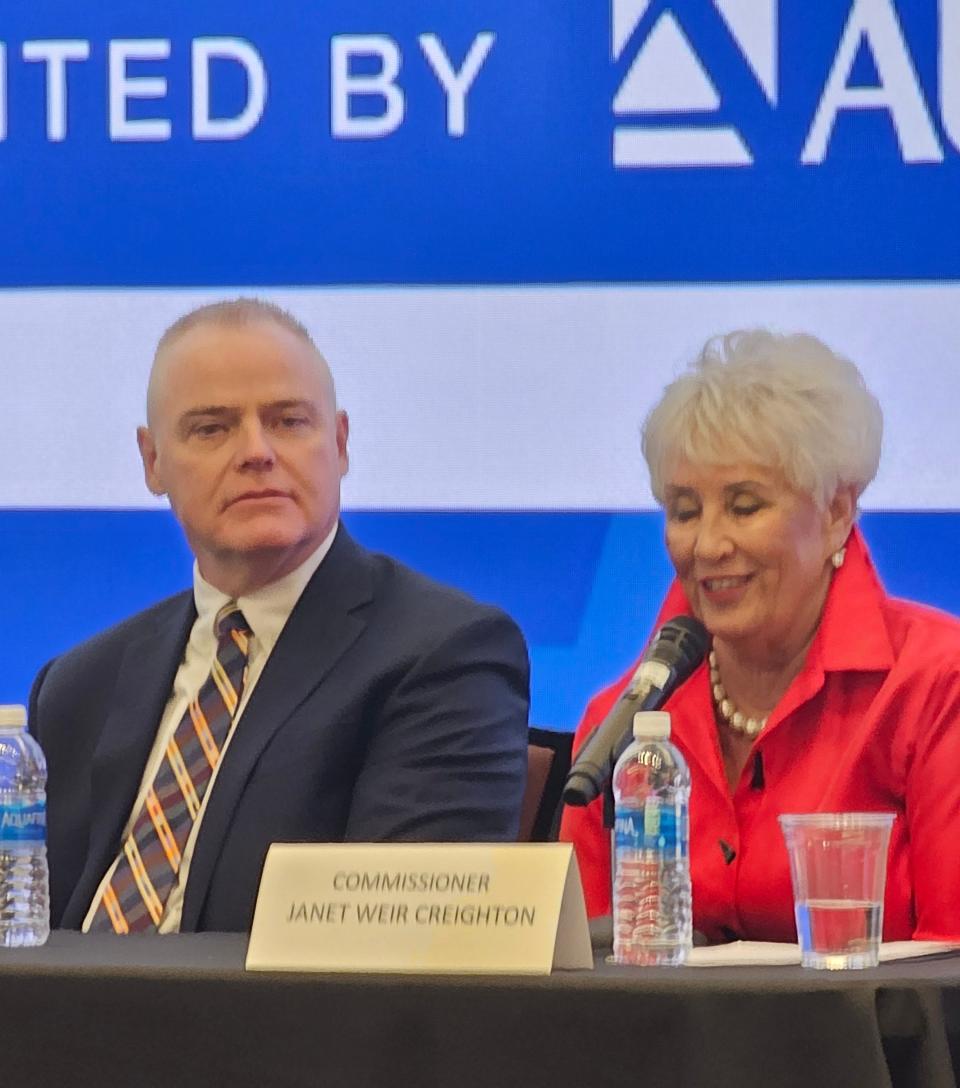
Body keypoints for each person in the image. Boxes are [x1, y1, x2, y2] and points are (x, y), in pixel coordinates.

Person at [28, 298, 530, 933]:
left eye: (289, 422)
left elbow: (402, 959)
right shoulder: (76, 687)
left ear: (341, 443)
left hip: (279, 1029)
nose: (257, 452)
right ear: (152, 461)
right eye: (212, 428)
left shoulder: (446, 656)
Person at [561, 329, 960, 943]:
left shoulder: (937, 686)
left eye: (744, 507)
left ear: (835, 512)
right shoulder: (618, 728)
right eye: (685, 511)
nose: (708, 545)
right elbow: (579, 980)